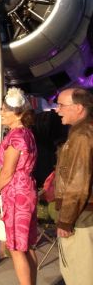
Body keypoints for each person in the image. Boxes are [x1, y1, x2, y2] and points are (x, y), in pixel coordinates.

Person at [0, 87, 38, 285]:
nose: (0, 113)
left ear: (17, 113)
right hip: (25, 189)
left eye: (4, 110)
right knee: (28, 246)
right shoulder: (26, 133)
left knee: (17, 248)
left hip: (17, 192)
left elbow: (7, 172)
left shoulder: (17, 137)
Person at [53, 87, 93, 285]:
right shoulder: (82, 131)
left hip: (81, 217)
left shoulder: (82, 136)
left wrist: (66, 220)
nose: (57, 109)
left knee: (80, 275)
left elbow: (78, 182)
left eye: (61, 105)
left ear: (78, 108)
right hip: (84, 213)